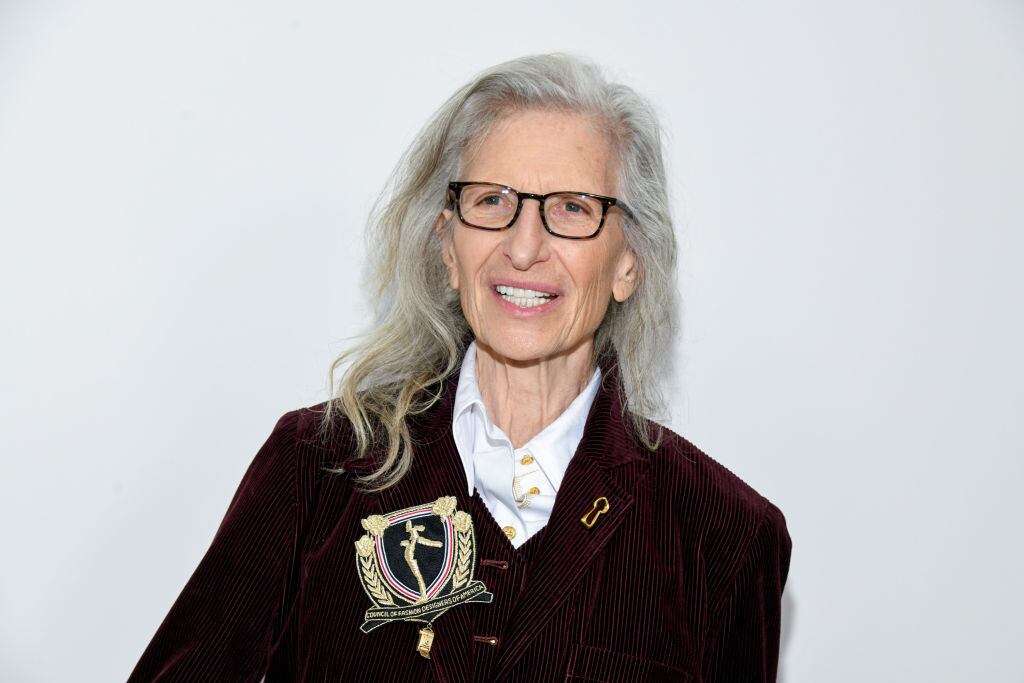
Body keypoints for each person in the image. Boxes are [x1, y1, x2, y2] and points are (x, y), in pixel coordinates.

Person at [129, 53, 791, 682]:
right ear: (448, 246)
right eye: (492, 201)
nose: (524, 247)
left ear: (629, 263)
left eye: (572, 209)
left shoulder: (723, 534)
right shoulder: (317, 467)